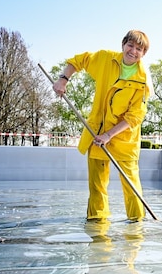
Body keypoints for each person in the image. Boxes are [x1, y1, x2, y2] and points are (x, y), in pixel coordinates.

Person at [53, 30, 151, 222]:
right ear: (123, 44)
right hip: (96, 133)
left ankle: (137, 225)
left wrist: (110, 135)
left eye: (139, 49)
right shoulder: (105, 59)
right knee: (97, 186)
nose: (133, 51)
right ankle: (97, 227)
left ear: (143, 53)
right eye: (130, 45)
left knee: (132, 186)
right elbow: (78, 60)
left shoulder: (144, 80)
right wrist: (63, 79)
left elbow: (135, 116)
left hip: (124, 137)